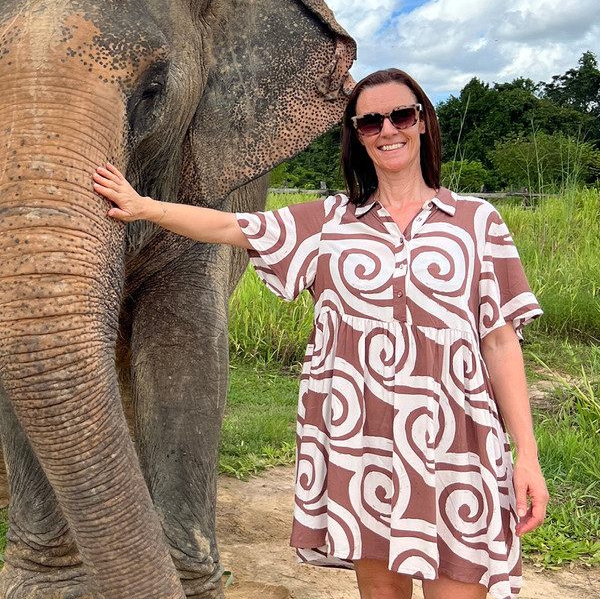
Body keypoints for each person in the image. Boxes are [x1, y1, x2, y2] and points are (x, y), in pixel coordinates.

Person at [93, 68, 547, 599]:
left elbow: (498, 340)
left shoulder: (477, 221)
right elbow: (230, 226)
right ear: (357, 135)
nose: (387, 129)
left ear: (423, 123)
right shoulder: (331, 221)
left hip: (457, 449)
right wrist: (146, 207)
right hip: (363, 444)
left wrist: (528, 455)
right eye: (370, 121)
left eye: (401, 115)